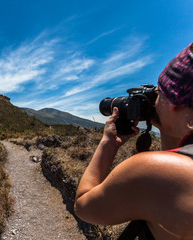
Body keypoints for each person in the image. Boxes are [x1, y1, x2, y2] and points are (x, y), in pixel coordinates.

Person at [74, 42, 193, 240]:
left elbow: (83, 205)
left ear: (176, 102)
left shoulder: (153, 172)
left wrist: (107, 143)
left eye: (160, 93)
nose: (155, 102)